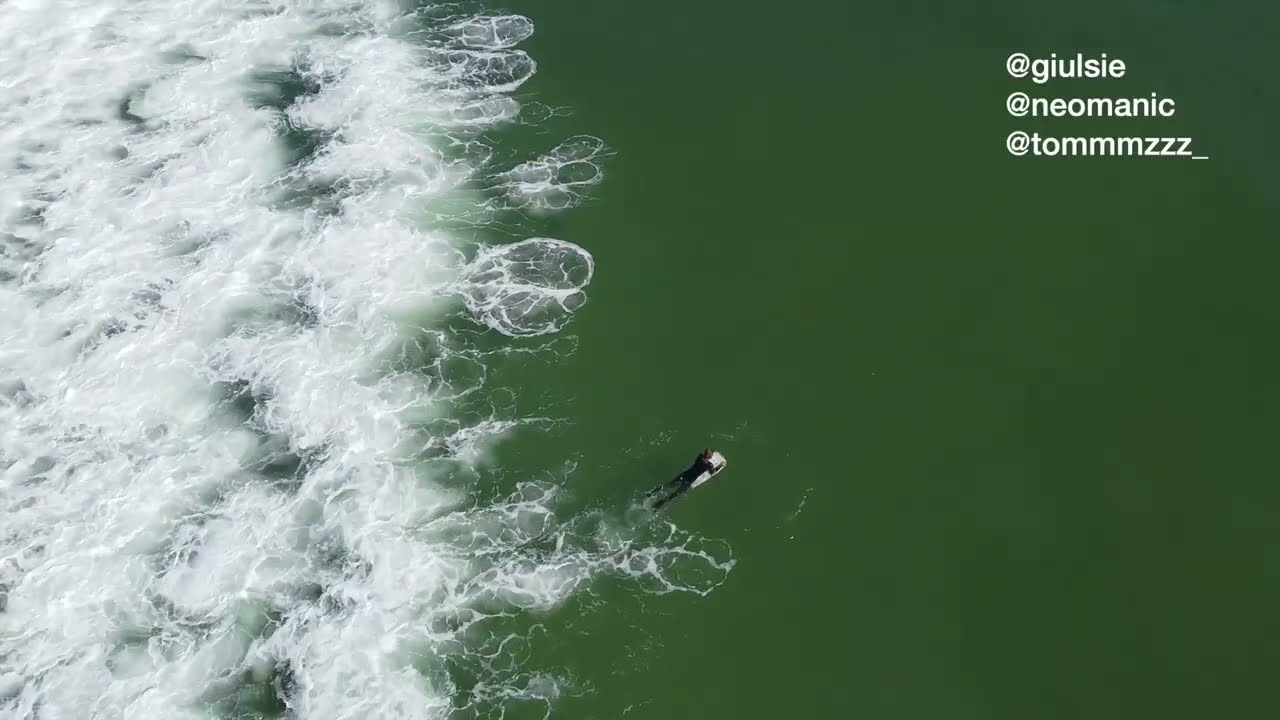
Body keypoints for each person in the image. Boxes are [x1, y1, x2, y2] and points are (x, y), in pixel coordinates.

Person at [647, 448, 718, 510]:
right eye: (711, 455)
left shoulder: (700, 456)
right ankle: (658, 505)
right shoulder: (709, 465)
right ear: (710, 456)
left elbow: (704, 457)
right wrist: (713, 469)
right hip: (689, 481)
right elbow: (712, 472)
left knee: (668, 485)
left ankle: (651, 493)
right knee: (675, 494)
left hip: (684, 475)